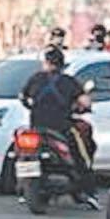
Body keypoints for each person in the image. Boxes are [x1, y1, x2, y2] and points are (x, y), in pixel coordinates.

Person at [20, 46, 98, 209]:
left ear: (46, 63)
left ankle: (23, 190)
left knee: (22, 153)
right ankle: (88, 191)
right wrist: (84, 106)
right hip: (61, 128)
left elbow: (23, 97)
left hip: (36, 127)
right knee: (83, 154)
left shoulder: (35, 78)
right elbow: (85, 102)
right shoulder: (68, 82)